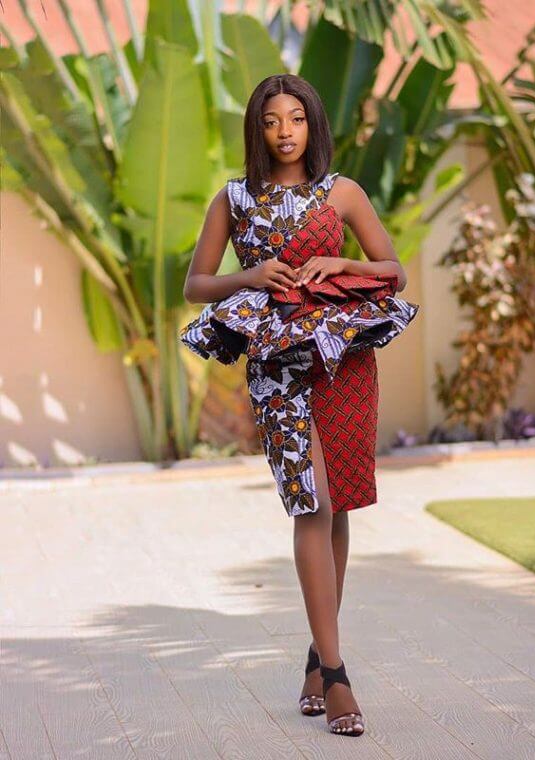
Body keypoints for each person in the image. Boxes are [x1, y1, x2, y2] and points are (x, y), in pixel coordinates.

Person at [181, 73, 419, 737]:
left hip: (344, 363)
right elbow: (196, 284)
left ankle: (319, 658)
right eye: (271, 121)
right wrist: (251, 275)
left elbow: (394, 271)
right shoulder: (232, 199)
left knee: (335, 503)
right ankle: (338, 676)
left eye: (295, 118)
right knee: (311, 500)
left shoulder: (343, 192)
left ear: (312, 124)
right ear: (256, 130)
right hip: (276, 370)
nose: (284, 131)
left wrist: (342, 266)